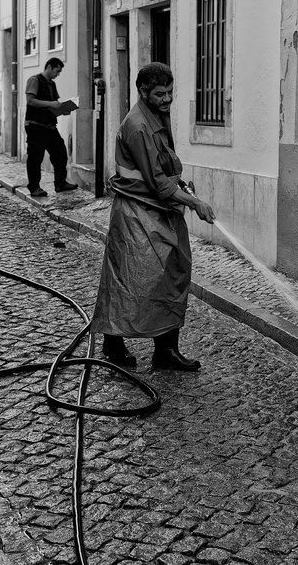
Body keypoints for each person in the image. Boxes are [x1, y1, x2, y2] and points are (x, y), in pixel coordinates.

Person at [91, 62, 216, 372]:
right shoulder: (138, 126)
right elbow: (157, 183)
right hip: (137, 214)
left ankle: (165, 351)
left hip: (158, 211)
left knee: (171, 274)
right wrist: (195, 202)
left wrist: (180, 186)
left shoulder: (155, 115)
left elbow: (162, 169)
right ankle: (113, 343)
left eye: (170, 92)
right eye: (160, 94)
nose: (167, 99)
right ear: (142, 92)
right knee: (130, 280)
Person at [24, 57, 78, 197]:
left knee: (60, 153)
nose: (57, 74)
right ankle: (34, 188)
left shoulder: (52, 84)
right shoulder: (35, 80)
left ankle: (60, 183)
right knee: (35, 158)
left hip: (49, 126)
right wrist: (51, 104)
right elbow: (30, 100)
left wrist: (62, 109)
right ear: (49, 67)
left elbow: (54, 103)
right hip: (35, 125)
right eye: (56, 71)